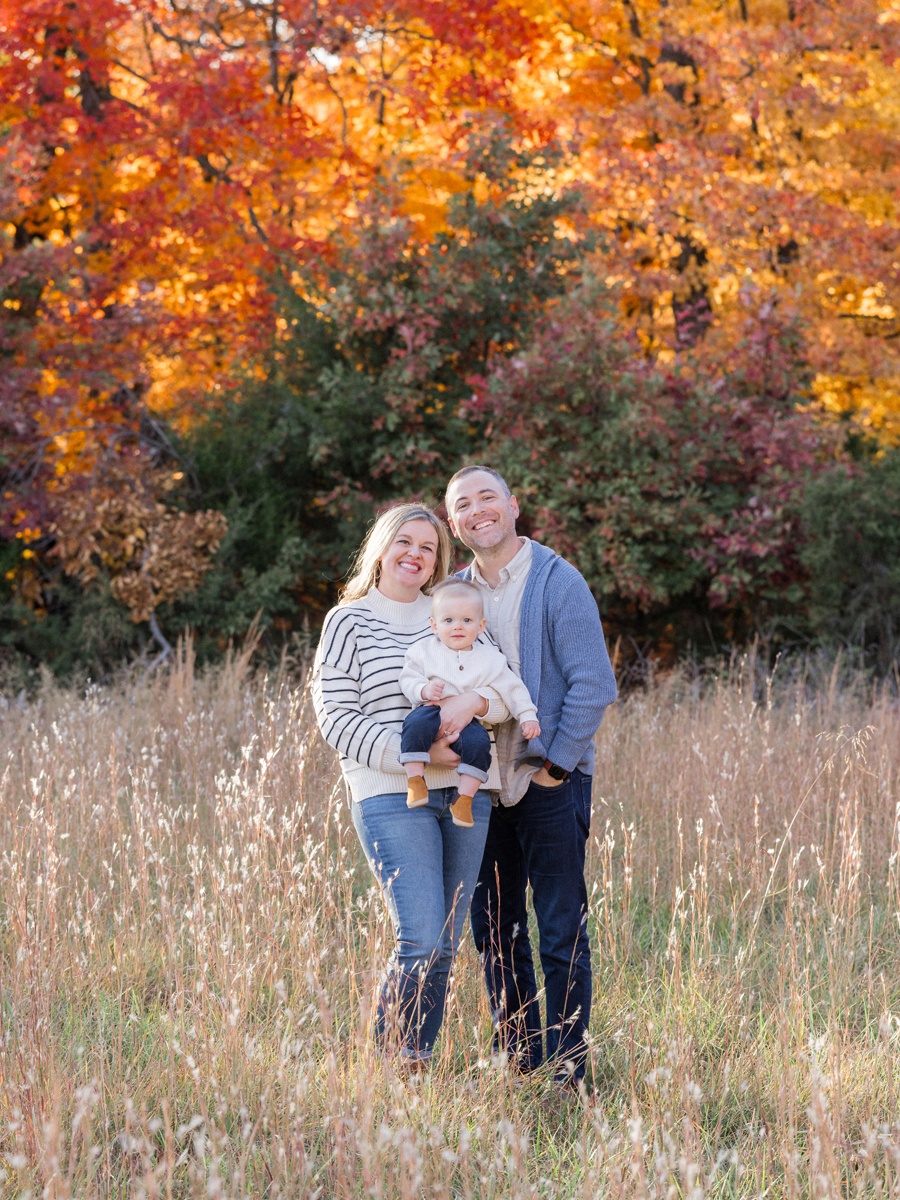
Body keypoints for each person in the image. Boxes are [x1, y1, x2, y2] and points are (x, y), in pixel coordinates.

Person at [312, 503, 508, 1069]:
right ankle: (388, 1066)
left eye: (428, 547)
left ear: (438, 560)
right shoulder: (348, 621)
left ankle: (415, 1062)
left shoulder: (448, 612)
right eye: (405, 542)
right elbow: (336, 718)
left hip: (468, 793)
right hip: (389, 793)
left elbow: (503, 690)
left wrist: (476, 700)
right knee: (419, 935)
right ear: (381, 548)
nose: (415, 555)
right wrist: (415, 756)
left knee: (446, 942)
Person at [445, 465, 618, 1093]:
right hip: (479, 787)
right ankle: (519, 1059)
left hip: (548, 779)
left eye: (487, 497)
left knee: (559, 925)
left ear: (514, 506)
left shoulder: (556, 580)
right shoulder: (453, 592)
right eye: (463, 504)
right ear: (455, 523)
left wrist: (556, 767)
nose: (478, 510)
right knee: (494, 928)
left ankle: (568, 1070)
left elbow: (594, 686)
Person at [398, 577, 541, 829]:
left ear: (480, 626)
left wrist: (528, 715)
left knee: (479, 744)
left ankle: (464, 798)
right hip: (430, 709)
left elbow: (513, 688)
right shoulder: (422, 650)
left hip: (469, 722)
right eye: (448, 620)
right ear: (434, 625)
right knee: (414, 726)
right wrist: (423, 689)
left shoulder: (491, 659)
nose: (457, 627)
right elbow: (407, 679)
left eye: (467, 620)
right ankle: (415, 780)